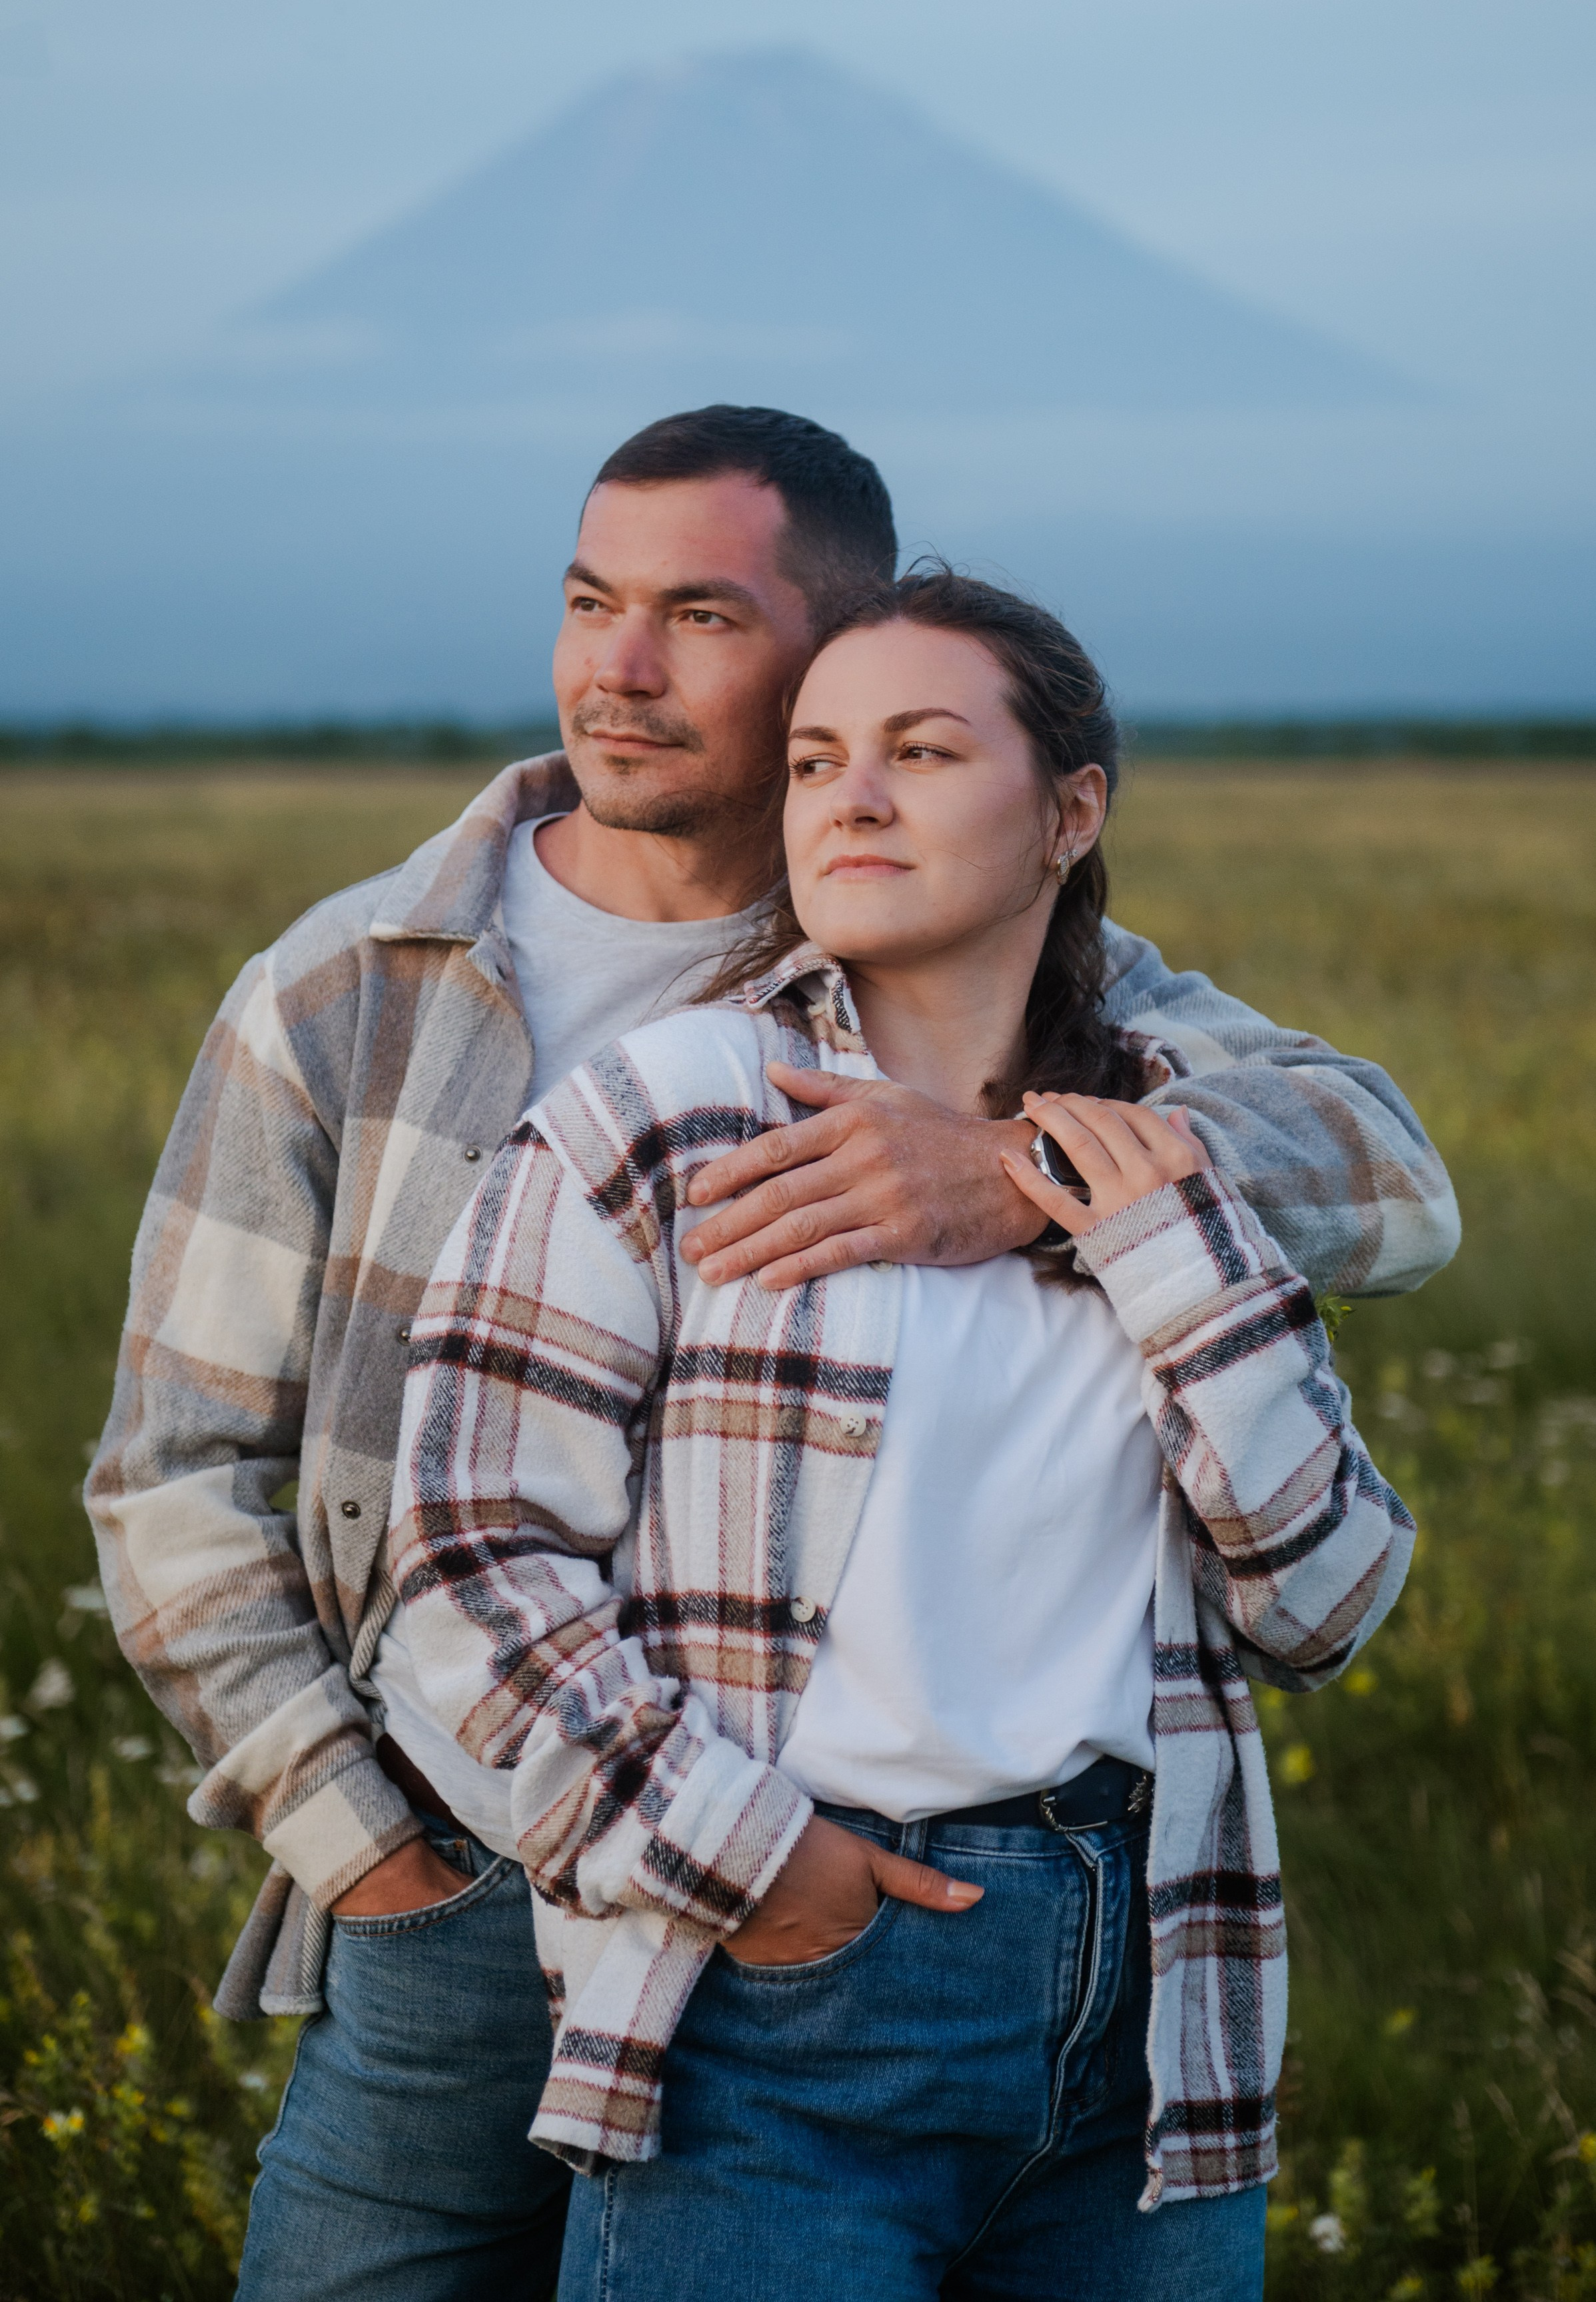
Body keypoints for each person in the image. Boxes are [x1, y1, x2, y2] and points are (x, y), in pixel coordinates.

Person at [85, 407, 1454, 2302]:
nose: (616, 669)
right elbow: (178, 1478)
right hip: (469, 1859)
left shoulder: (995, 973)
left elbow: (1387, 1177)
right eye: (588, 602)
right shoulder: (355, 990)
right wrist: (379, 1859)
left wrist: (1015, 1173)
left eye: (699, 618)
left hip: (917, 1913)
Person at [390, 570, 1415, 2302]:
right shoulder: (670, 1113)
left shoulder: (1163, 1146)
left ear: (1068, 812)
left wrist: (1119, 1224)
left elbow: (1322, 1606)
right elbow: (465, 1559)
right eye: (812, 759)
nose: (848, 798)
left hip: (1152, 1992)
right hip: (782, 1994)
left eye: (921, 752)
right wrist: (751, 1862)